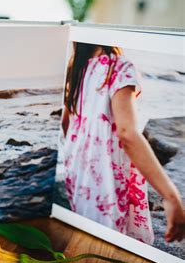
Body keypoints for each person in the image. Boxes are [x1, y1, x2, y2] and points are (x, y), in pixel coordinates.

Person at [62, 43, 185, 244]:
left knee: (90, 239)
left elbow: (67, 122)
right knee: (115, 246)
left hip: (80, 174)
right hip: (107, 177)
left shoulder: (77, 68)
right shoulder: (117, 67)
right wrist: (170, 196)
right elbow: (127, 133)